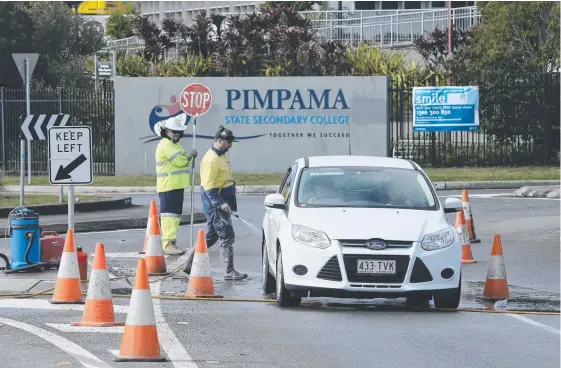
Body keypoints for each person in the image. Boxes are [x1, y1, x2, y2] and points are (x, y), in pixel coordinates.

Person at [183, 125, 248, 280]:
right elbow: (209, 186)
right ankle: (229, 272)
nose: (230, 145)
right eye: (227, 142)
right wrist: (220, 203)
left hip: (222, 201)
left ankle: (189, 263)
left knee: (212, 236)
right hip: (216, 204)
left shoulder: (221, 155)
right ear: (219, 140)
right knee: (226, 235)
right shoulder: (211, 159)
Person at [155, 114, 197, 256]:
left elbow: (183, 158)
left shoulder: (174, 144)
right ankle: (167, 244)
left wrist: (188, 156)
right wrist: (190, 156)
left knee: (174, 216)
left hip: (175, 186)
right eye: (173, 131)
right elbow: (181, 161)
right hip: (169, 186)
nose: (176, 133)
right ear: (166, 131)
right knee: (169, 217)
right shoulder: (166, 145)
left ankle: (171, 243)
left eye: (178, 131)